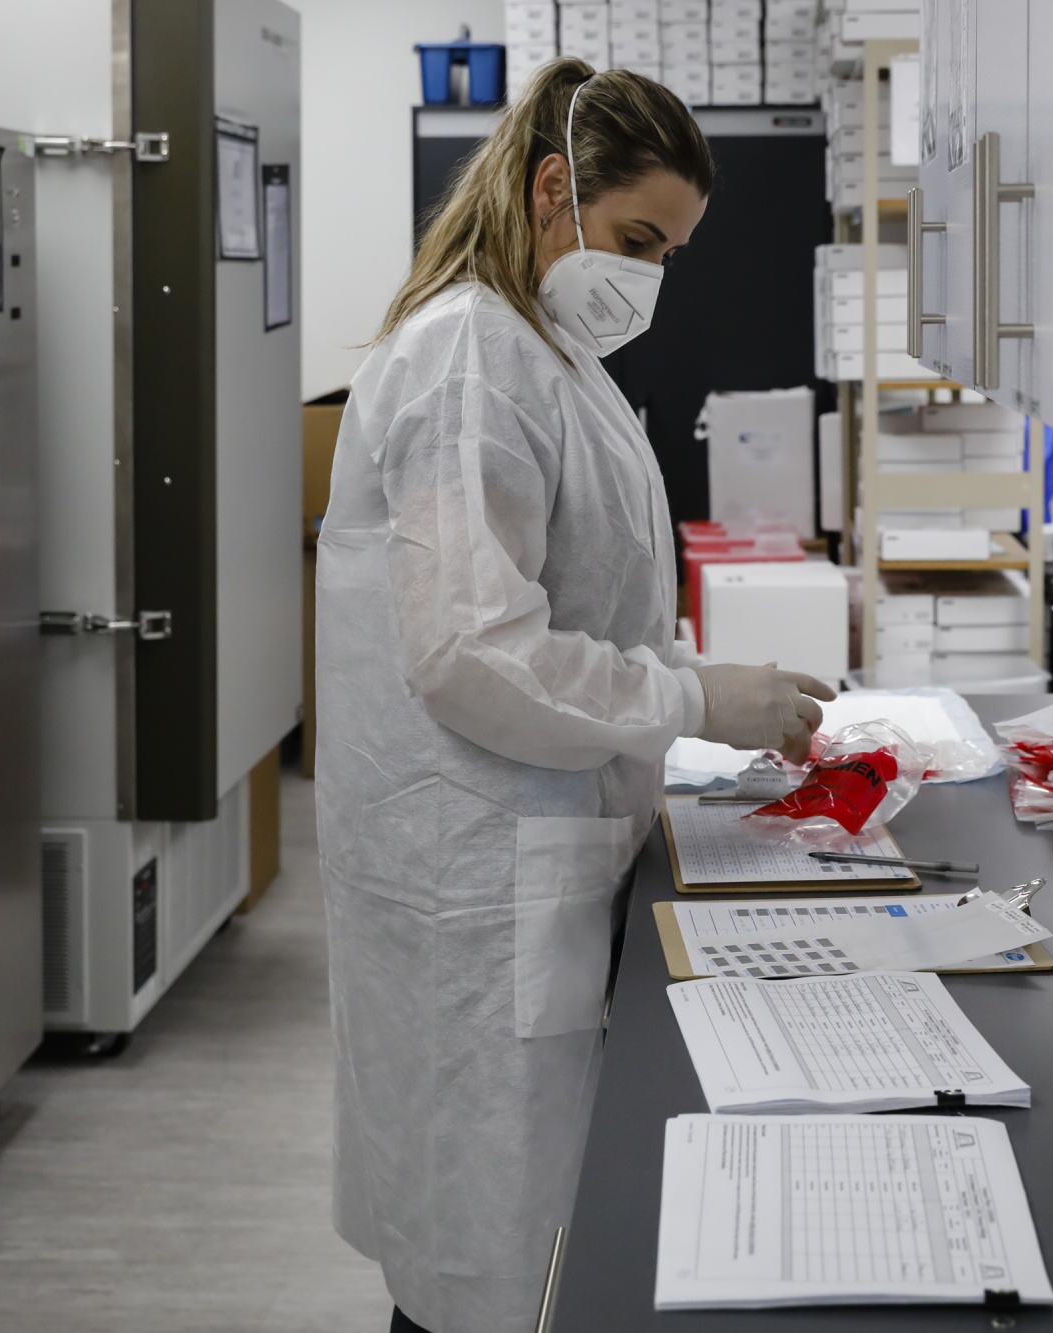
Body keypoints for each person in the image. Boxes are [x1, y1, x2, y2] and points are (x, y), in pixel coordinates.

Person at [315, 58, 837, 1333]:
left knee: (513, 1239)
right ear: (553, 190)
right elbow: (472, 653)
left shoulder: (545, 349)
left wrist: (685, 703)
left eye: (669, 251)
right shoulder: (467, 362)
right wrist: (694, 698)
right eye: (634, 239)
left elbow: (572, 603)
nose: (649, 276)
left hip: (533, 839)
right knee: (475, 1256)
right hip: (475, 868)